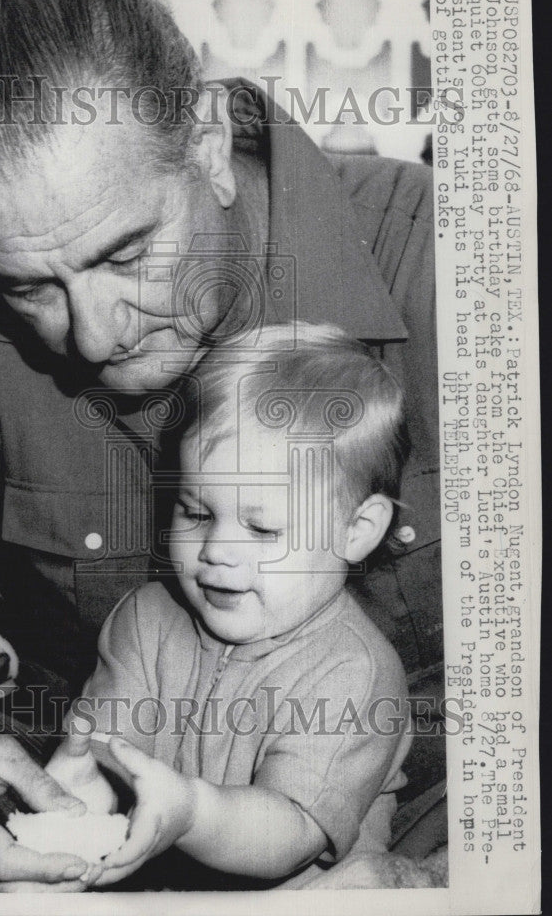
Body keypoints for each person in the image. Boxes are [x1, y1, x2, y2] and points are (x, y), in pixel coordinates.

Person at [0, 0, 439, 893]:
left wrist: (429, 885)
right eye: (29, 288)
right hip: (96, 812)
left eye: (125, 254)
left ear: (202, 144)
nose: (92, 333)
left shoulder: (442, 253)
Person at [46, 323, 413, 889]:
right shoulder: (146, 620)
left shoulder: (355, 672)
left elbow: (286, 838)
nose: (215, 550)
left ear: (358, 530)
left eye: (262, 527)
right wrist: (84, 786)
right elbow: (107, 751)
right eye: (195, 512)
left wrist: (190, 812)